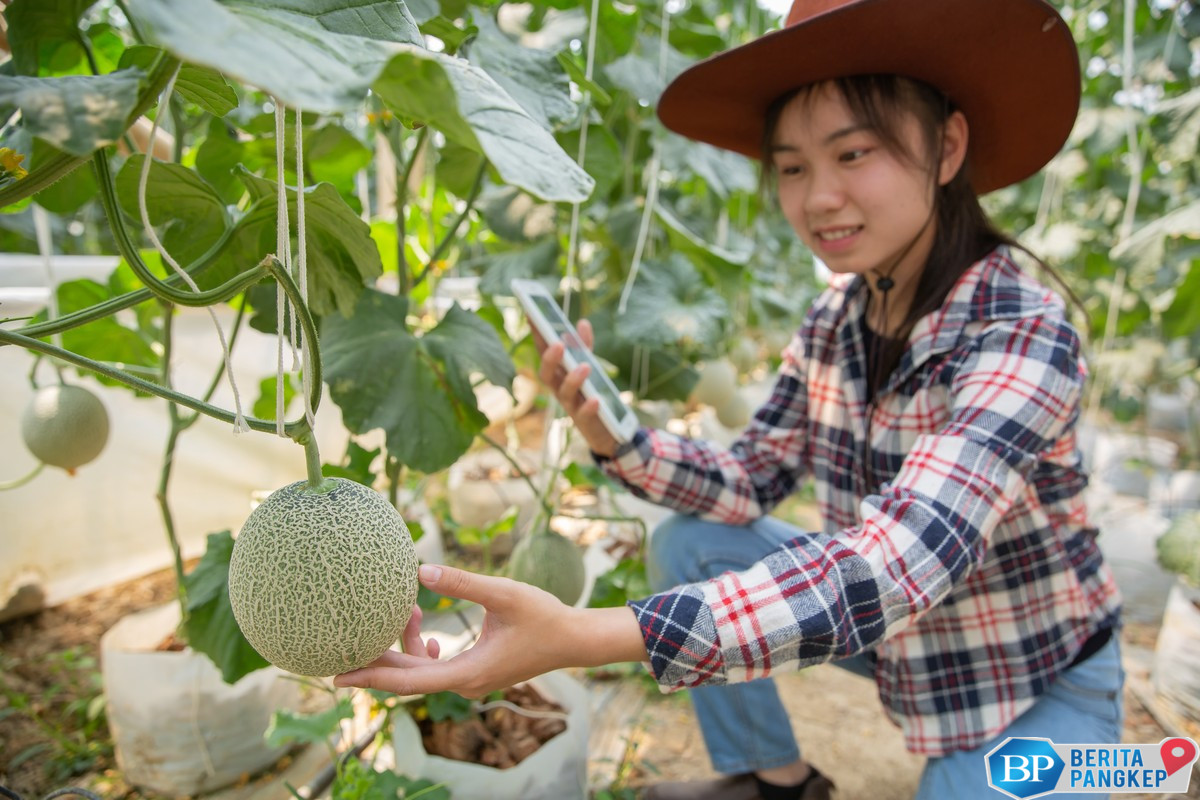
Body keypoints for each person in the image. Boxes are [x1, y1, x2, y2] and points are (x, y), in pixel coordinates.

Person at [335, 0, 1125, 797]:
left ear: (947, 147)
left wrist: (584, 634)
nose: (818, 197)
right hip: (897, 643)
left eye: (853, 153)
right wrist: (617, 442)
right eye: (792, 167)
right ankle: (776, 781)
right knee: (692, 541)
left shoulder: (1020, 330)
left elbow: (902, 560)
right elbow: (752, 477)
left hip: (1028, 677)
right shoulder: (836, 321)